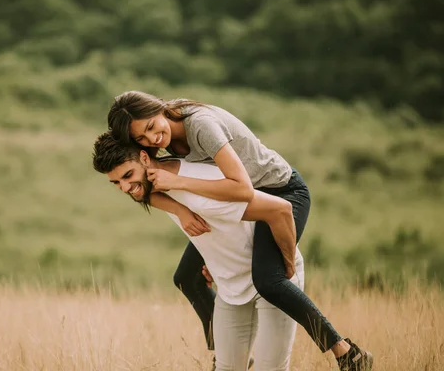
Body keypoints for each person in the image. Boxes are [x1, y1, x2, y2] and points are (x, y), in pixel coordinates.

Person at [106, 91, 373, 371]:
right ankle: (223, 352)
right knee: (187, 276)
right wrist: (181, 211)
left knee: (269, 280)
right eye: (141, 139)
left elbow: (243, 190)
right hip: (242, 200)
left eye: (150, 128)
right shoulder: (154, 147)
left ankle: (345, 351)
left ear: (159, 108)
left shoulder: (201, 125)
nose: (152, 140)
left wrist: (180, 182)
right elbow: (141, 187)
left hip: (280, 191)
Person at [92, 131, 304, 370]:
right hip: (231, 285)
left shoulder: (197, 186)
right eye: (116, 183)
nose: (124, 188)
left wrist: (288, 266)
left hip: (271, 275)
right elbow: (148, 195)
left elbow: (280, 210)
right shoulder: (156, 183)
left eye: (127, 176)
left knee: (271, 368)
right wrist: (213, 256)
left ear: (143, 159)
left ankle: (343, 351)